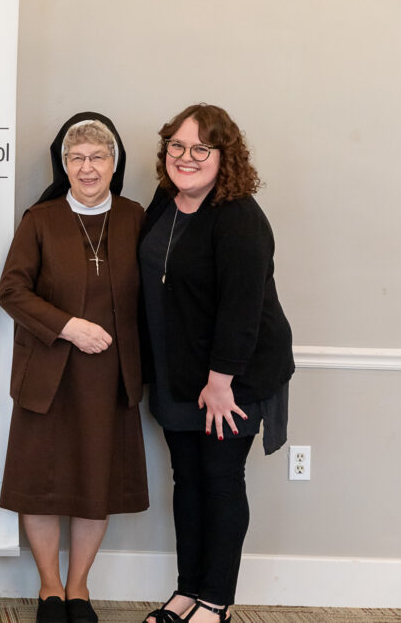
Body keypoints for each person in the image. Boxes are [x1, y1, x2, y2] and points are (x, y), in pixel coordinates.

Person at [138, 104, 293, 623]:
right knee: (187, 479)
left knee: (221, 480)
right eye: (177, 146)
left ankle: (216, 601)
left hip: (234, 378)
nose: (186, 157)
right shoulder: (164, 202)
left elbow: (243, 309)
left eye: (200, 148)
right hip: (177, 372)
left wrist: (221, 381)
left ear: (224, 157)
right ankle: (187, 591)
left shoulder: (240, 219)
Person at [0, 113, 150, 623]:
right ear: (64, 165)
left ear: (115, 162)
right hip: (49, 375)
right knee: (40, 483)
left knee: (95, 485)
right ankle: (50, 589)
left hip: (111, 378)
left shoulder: (136, 217)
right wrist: (68, 326)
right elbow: (12, 291)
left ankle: (79, 588)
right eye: (76, 158)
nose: (87, 168)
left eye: (98, 157)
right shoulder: (39, 220)